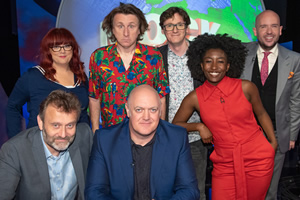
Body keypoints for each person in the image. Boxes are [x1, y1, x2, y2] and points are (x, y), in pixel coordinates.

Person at [173, 33, 278, 200]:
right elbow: (175, 124)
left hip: (258, 159)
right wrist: (199, 127)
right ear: (201, 65)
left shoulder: (246, 88)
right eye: (208, 61)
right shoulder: (195, 97)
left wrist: (272, 143)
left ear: (228, 66)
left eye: (220, 61)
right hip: (224, 164)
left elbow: (261, 113)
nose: (214, 67)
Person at [85, 85, 199, 200]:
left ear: (160, 111)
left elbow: (189, 190)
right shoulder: (105, 140)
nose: (146, 117)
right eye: (139, 110)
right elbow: (94, 192)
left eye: (152, 110)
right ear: (128, 110)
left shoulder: (176, 138)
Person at [240, 10, 300, 200]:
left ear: (281, 30)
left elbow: (296, 100)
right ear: (255, 31)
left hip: (276, 133)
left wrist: (291, 135)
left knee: (270, 189)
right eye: (263, 26)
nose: (269, 31)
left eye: (274, 26)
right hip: (245, 133)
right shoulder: (240, 53)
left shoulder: (295, 59)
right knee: (245, 187)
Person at [88, 3, 170, 132]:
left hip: (147, 134)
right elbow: (94, 97)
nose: (126, 33)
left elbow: (161, 97)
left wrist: (161, 131)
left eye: (131, 26)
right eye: (120, 26)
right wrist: (95, 131)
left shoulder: (153, 56)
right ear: (112, 29)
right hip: (111, 134)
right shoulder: (99, 57)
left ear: (139, 29)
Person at [0, 90, 93, 200]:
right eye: (55, 125)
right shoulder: (14, 151)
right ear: (40, 122)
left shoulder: (85, 136)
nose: (63, 134)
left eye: (69, 125)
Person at [158, 7, 207, 200]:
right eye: (169, 25)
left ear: (187, 27)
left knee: (197, 190)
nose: (175, 29)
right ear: (162, 30)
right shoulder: (155, 57)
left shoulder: (201, 54)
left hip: (195, 136)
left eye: (179, 24)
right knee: (165, 190)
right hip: (165, 135)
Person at [5, 28, 89, 138]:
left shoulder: (80, 77)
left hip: (77, 147)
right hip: (39, 147)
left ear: (73, 49)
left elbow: (84, 114)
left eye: (67, 46)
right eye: (56, 46)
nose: (62, 51)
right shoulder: (33, 76)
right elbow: (12, 107)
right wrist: (16, 141)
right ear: (48, 50)